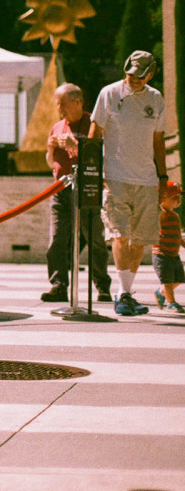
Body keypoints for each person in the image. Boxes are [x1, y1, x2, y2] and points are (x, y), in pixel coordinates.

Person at [88, 50, 169, 317]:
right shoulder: (109, 93)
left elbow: (158, 140)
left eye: (139, 75)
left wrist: (163, 176)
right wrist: (92, 171)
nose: (133, 79)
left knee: (140, 241)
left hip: (146, 179)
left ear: (151, 74)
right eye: (130, 74)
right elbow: (94, 133)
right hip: (115, 177)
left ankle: (127, 293)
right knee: (119, 236)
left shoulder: (156, 99)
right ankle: (122, 295)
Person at [41, 83, 111, 303]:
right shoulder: (57, 126)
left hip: (87, 189)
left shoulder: (93, 123)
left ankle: (102, 286)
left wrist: (76, 143)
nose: (59, 109)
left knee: (95, 240)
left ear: (78, 102)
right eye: (57, 105)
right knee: (56, 240)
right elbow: (51, 163)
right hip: (60, 190)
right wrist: (50, 147)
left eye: (62, 104)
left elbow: (99, 155)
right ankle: (58, 285)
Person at [154, 180, 184, 313]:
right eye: (174, 197)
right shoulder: (160, 214)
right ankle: (171, 302)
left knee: (179, 279)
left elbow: (178, 235)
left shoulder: (176, 216)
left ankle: (161, 292)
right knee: (167, 279)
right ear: (163, 199)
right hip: (162, 254)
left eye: (179, 197)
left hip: (174, 254)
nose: (178, 200)